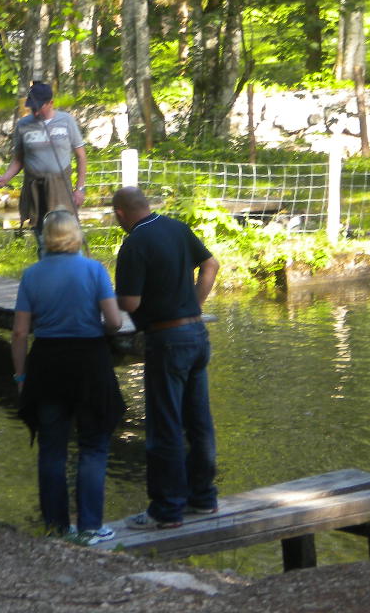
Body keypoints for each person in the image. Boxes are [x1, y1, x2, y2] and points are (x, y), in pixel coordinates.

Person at [11, 209, 124, 544]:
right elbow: (115, 322)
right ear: (76, 235)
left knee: (51, 448)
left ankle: (56, 526)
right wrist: (96, 327)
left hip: (47, 364)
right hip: (89, 362)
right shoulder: (94, 270)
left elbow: (19, 333)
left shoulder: (31, 275)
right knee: (93, 445)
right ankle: (90, 526)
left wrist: (20, 378)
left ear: (46, 237)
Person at [112, 186, 220, 530]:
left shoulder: (133, 244)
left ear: (120, 214)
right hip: (197, 335)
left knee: (165, 426)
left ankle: (166, 510)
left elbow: (129, 304)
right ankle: (203, 498)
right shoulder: (177, 228)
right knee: (198, 421)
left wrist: (102, 299)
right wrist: (194, 304)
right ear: (147, 206)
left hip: (166, 340)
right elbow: (211, 264)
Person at [0, 82, 87, 245]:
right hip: (35, 187)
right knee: (42, 236)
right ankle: (46, 264)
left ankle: (71, 266)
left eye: (38, 107)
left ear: (51, 103)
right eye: (32, 108)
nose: (35, 111)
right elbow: (18, 159)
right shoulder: (23, 125)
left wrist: (79, 189)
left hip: (60, 187)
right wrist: (5, 177)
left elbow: (81, 156)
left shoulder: (66, 121)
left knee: (67, 232)